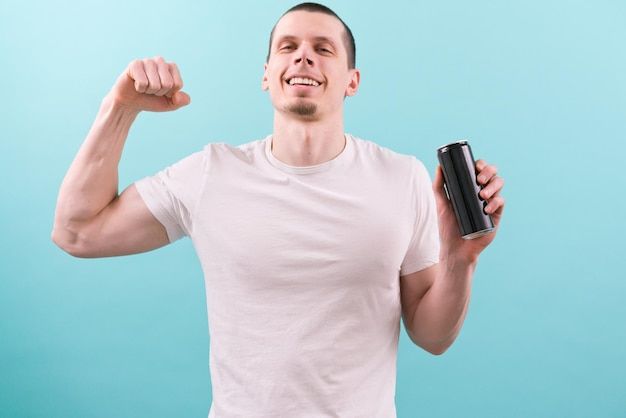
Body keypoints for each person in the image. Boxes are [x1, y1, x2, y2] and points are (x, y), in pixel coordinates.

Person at [51, 2, 505, 417]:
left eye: (323, 48)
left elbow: (432, 336)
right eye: (288, 47)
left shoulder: (402, 178)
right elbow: (77, 232)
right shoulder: (211, 173)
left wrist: (460, 258)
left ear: (353, 80)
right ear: (267, 74)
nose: (303, 57)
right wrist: (120, 107)